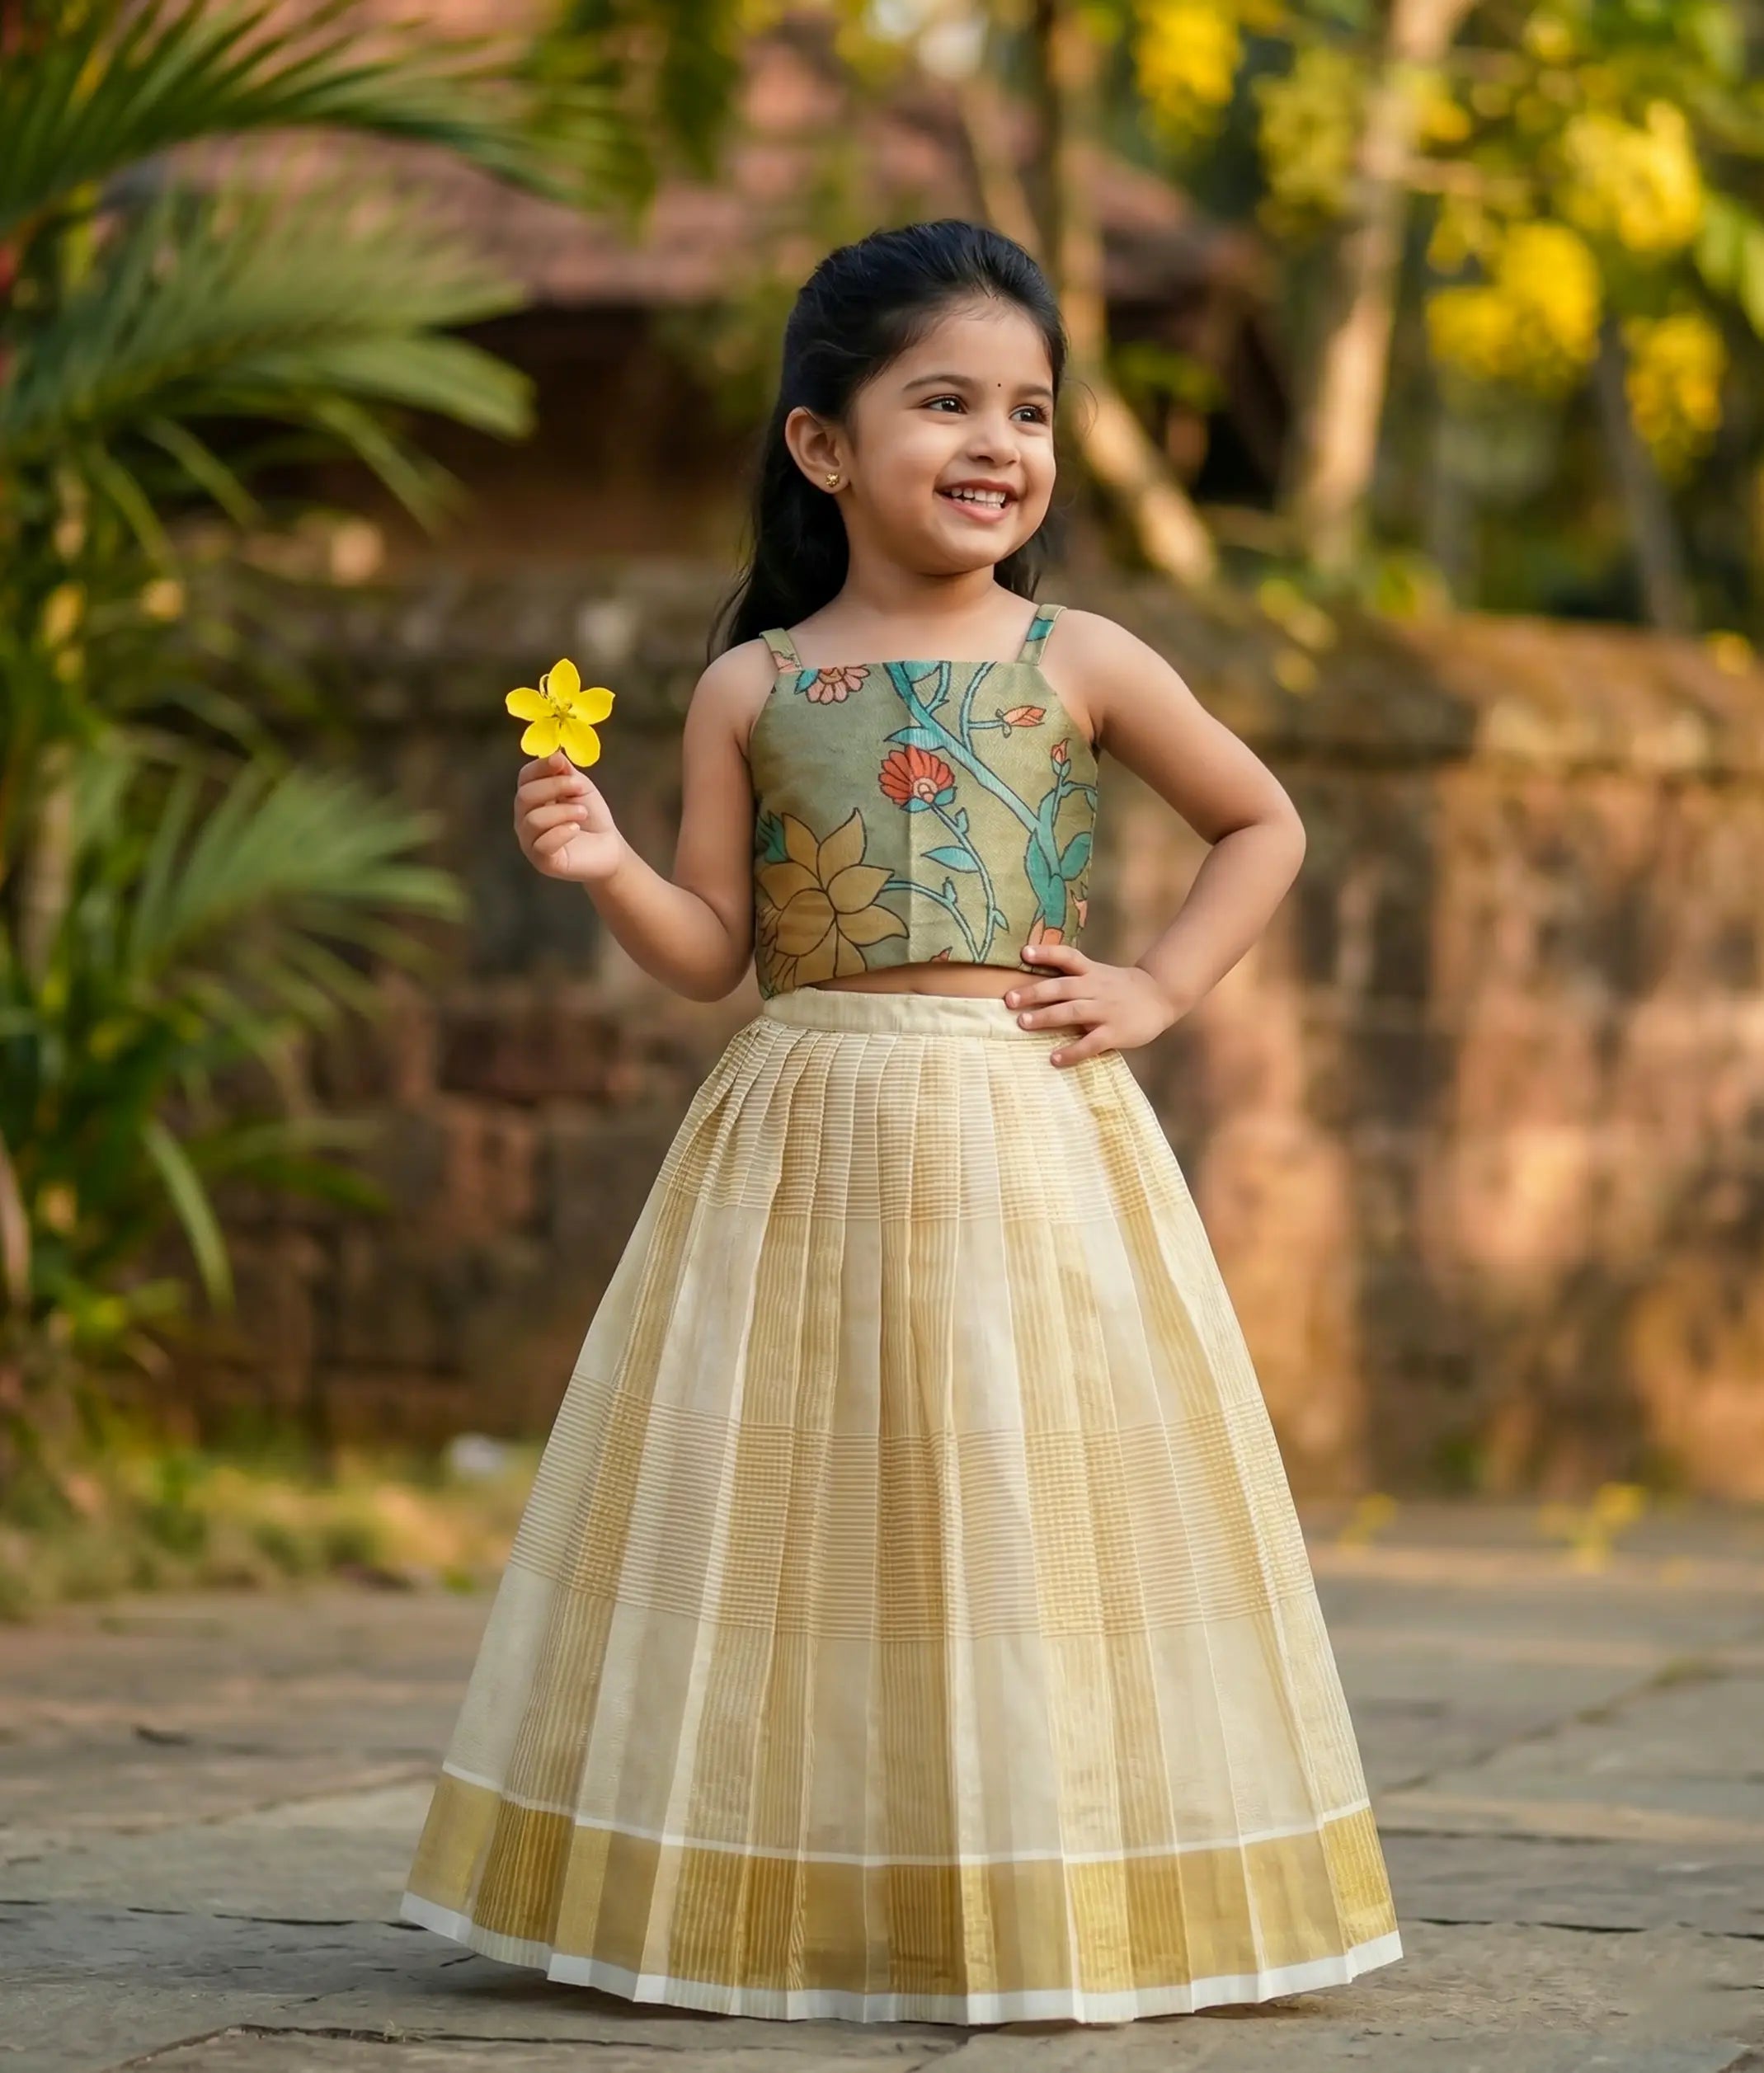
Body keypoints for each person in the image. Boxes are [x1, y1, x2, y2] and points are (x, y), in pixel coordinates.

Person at [400, 218, 1402, 2024]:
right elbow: (712, 953)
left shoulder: (1078, 660)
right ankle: (785, 1882)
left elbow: (1260, 825)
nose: (995, 444)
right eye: (943, 401)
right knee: (798, 1497)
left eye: (1026, 409)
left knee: (1030, 1491)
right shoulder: (752, 690)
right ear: (821, 444)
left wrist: (1156, 989)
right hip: (801, 1134)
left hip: (1027, 1127)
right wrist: (606, 862)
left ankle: (1042, 1875)